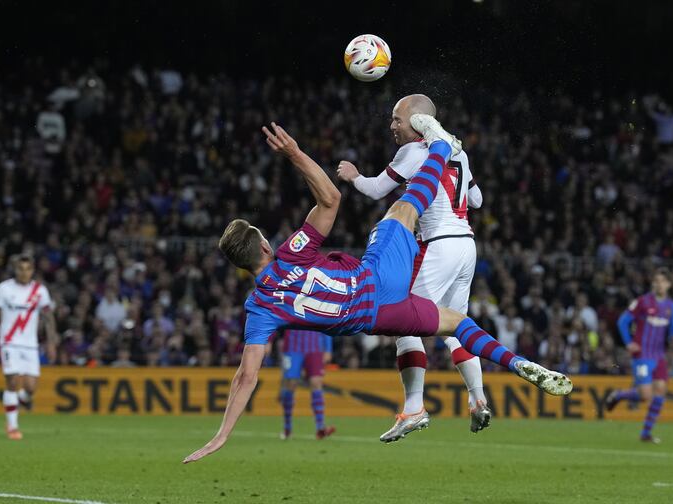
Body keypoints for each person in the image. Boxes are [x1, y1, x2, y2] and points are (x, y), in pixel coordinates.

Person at [183, 116, 571, 464]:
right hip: (377, 278)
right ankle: (441, 145)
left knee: (453, 324)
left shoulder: (259, 310)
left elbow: (246, 377)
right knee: (404, 209)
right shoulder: (290, 254)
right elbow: (331, 198)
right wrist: (295, 153)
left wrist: (222, 435)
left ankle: (445, 394)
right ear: (265, 247)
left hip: (375, 318)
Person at [337, 94, 489, 442]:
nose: (392, 125)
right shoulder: (457, 150)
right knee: (454, 328)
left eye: (398, 119)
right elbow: (477, 200)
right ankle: (478, 398)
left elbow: (376, 190)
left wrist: (353, 176)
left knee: (406, 322)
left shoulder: (414, 151)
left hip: (439, 242)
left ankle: (414, 408)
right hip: (467, 244)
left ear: (419, 123)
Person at [0, 254, 58, 440]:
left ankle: (20, 400)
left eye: (28, 269)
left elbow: (48, 319)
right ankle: (12, 427)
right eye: (20, 269)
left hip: (30, 345)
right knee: (13, 382)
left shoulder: (40, 291)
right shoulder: (4, 289)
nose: (24, 273)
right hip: (8, 342)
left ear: (33, 270)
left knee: (31, 388)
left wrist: (52, 343)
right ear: (15, 269)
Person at [605, 269, 673, 443]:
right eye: (655, 281)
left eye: (662, 281)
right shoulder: (642, 302)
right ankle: (618, 395)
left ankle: (646, 433)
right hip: (642, 355)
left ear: (668, 284)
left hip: (659, 356)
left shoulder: (672, 306)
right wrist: (628, 342)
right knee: (646, 395)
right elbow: (622, 321)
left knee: (661, 390)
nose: (658, 284)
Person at [278, 329, 335, 440]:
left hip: (314, 347)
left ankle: (320, 427)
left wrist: (328, 348)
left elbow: (325, 318)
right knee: (291, 384)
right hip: (292, 346)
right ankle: (287, 427)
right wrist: (267, 340)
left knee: (316, 382)